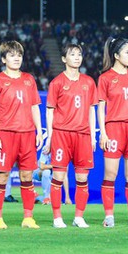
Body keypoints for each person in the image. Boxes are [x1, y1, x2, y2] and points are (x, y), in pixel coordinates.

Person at [0, 41, 43, 229]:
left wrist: (39, 131)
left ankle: (28, 218)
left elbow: (35, 106)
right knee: (2, 176)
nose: (16, 58)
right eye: (11, 55)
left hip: (27, 134)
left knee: (27, 175)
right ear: (4, 59)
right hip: (5, 134)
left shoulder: (29, 79)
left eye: (19, 54)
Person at [44, 43, 97, 228]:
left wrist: (93, 135)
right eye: (72, 54)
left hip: (83, 135)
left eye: (79, 54)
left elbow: (92, 110)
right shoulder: (57, 82)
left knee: (82, 178)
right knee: (58, 175)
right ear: (64, 59)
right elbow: (49, 111)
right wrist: (50, 137)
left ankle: (79, 217)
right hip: (61, 134)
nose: (77, 57)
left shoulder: (89, 82)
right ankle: (57, 217)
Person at [98, 37, 128, 228]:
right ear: (116, 55)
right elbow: (100, 108)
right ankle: (109, 216)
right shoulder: (105, 78)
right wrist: (103, 133)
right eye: (127, 52)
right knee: (110, 174)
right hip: (114, 129)